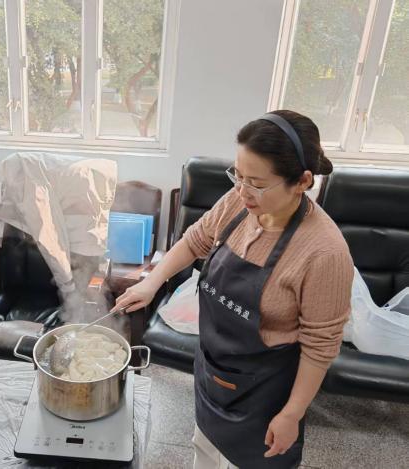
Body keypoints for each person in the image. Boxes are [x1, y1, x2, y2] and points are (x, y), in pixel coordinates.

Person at [114, 110, 353, 468]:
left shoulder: (325, 253)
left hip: (265, 398)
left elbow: (320, 347)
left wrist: (292, 414)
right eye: (238, 175)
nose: (242, 191)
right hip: (213, 372)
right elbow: (195, 240)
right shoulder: (237, 202)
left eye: (256, 183)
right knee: (206, 453)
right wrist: (151, 283)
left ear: (302, 181)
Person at [0, 151, 116, 314]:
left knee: (82, 262)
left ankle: (76, 313)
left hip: (87, 190)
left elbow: (50, 239)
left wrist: (68, 287)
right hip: (79, 187)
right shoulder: (7, 169)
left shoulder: (26, 188)